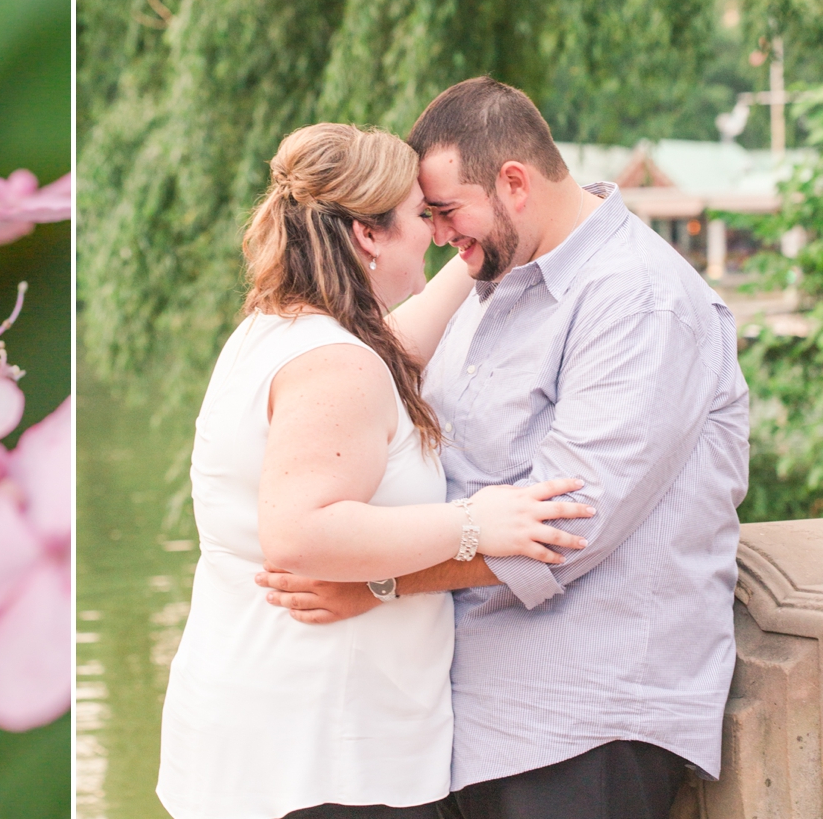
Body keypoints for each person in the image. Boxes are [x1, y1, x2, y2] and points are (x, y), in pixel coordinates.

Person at [257, 79, 750, 819]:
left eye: (446, 212)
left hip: (582, 724)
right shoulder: (494, 285)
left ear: (514, 183)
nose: (439, 234)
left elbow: (561, 526)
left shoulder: (640, 299)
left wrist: (375, 584)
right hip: (462, 717)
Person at [156, 122, 595, 819]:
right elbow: (300, 534)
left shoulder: (281, 331)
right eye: (421, 217)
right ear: (368, 235)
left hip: (266, 740)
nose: (436, 233)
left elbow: (398, 346)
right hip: (321, 761)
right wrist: (477, 524)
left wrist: (479, 250)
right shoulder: (335, 364)